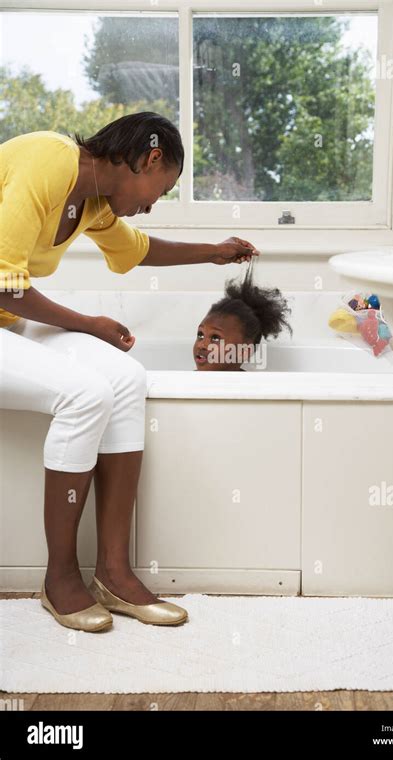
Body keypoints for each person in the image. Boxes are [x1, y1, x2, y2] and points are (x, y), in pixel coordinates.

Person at [0, 112, 259, 632]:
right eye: (158, 191)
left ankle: (115, 572)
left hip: (8, 324)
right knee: (84, 393)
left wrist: (214, 253)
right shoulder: (50, 161)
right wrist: (88, 323)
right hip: (6, 308)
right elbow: (6, 283)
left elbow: (136, 251)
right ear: (150, 157)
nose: (151, 205)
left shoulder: (93, 200)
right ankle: (60, 578)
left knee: (125, 378)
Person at [194, 259, 292, 371]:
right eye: (200, 335)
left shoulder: (249, 387)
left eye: (215, 338)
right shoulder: (185, 382)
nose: (201, 345)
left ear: (244, 351)